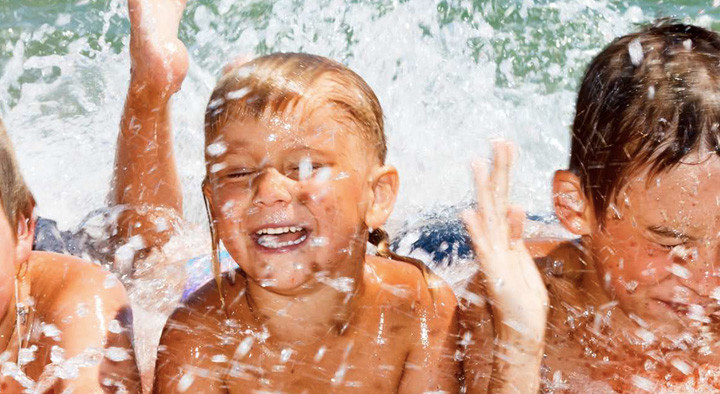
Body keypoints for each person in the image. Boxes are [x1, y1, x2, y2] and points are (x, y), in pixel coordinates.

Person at [113, 0, 547, 392]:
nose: (267, 191)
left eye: (303, 166)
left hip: (292, 239)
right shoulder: (198, 336)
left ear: (378, 196)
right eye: (240, 172)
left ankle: (243, 101)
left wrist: (519, 339)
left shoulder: (419, 309)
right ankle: (152, 86)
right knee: (146, 257)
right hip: (206, 273)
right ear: (211, 205)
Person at [464, 22, 720, 392]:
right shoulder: (508, 303)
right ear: (574, 205)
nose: (709, 282)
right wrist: (520, 352)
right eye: (671, 243)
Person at [0, 119, 140, 392]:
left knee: (144, 251)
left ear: (22, 225)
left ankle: (148, 99)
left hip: (69, 251)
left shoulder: (80, 305)